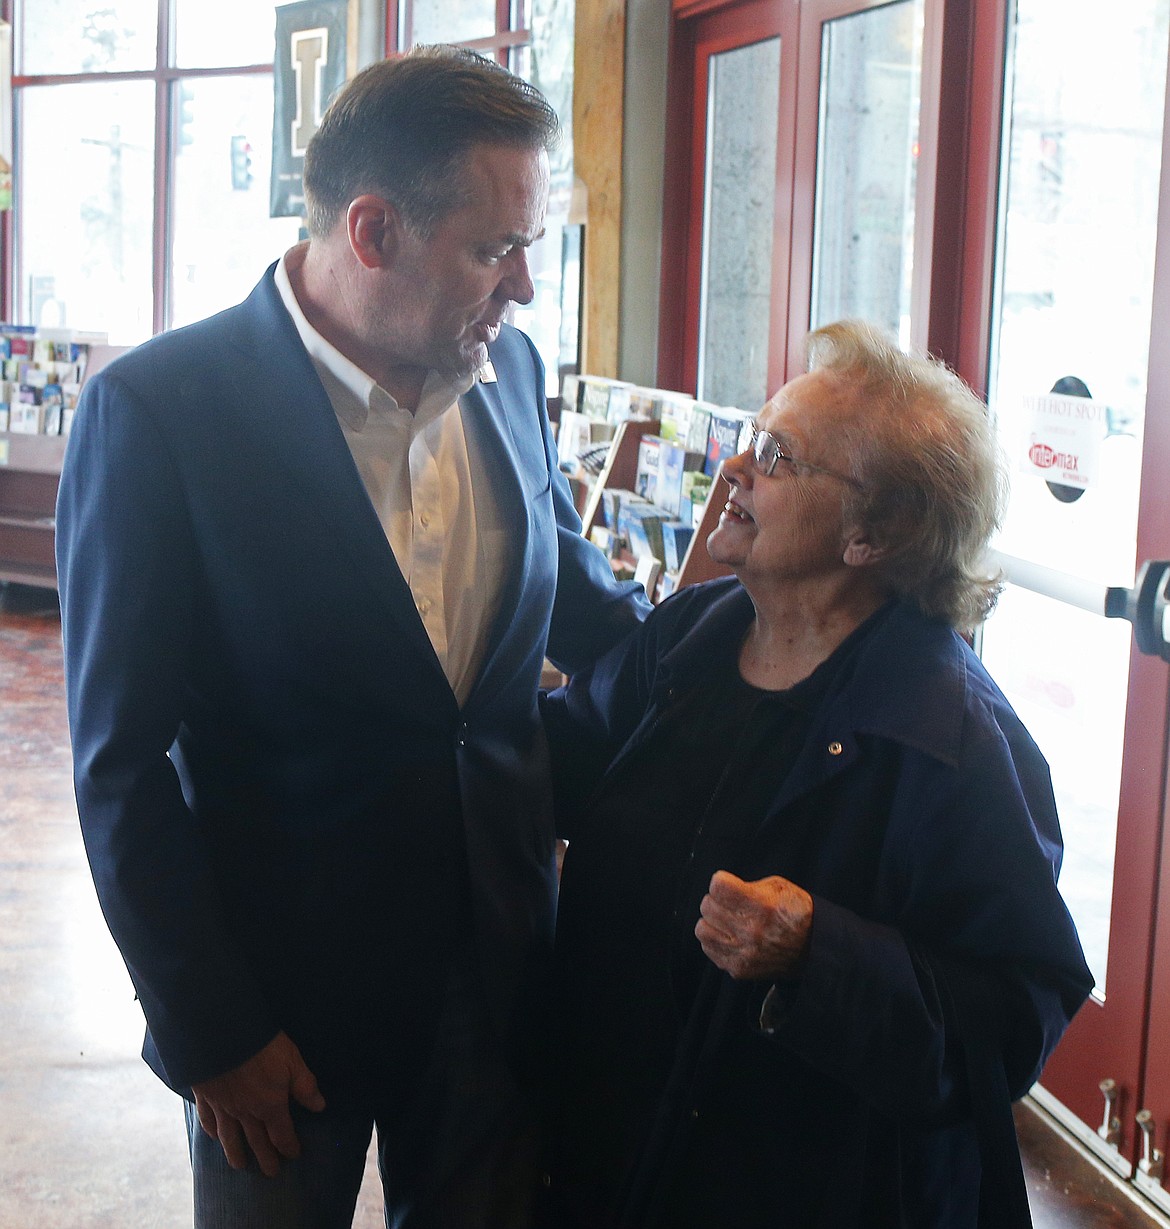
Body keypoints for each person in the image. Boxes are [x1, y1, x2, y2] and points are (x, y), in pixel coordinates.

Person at [56, 46, 650, 1229]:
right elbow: (118, 763)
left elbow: (574, 598)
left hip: (496, 982)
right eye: (496, 249)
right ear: (371, 230)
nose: (525, 287)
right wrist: (210, 1027)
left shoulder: (509, 369)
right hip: (279, 1016)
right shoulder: (163, 414)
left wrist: (760, 622)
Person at [539, 319, 1093, 1228]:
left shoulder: (953, 740)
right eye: (748, 441)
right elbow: (557, 755)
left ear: (873, 532)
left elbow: (1016, 1014)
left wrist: (820, 952)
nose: (733, 472)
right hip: (615, 1160)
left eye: (778, 456)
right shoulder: (696, 635)